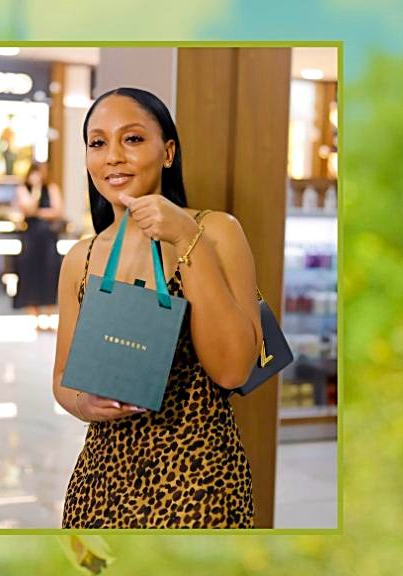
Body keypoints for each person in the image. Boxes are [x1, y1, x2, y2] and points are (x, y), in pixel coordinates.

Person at [52, 88, 262, 529]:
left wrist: (187, 240)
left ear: (168, 152)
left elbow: (233, 371)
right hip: (102, 481)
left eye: (132, 139)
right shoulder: (82, 257)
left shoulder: (215, 231)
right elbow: (62, 380)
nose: (113, 157)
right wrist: (86, 403)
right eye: (97, 143)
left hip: (199, 480)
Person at [12, 161, 63, 328]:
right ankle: (34, 317)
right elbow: (29, 209)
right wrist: (36, 189)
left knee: (49, 273)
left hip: (47, 238)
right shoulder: (23, 189)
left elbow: (58, 211)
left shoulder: (52, 188)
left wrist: (39, 213)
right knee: (30, 274)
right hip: (31, 238)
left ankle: (48, 316)